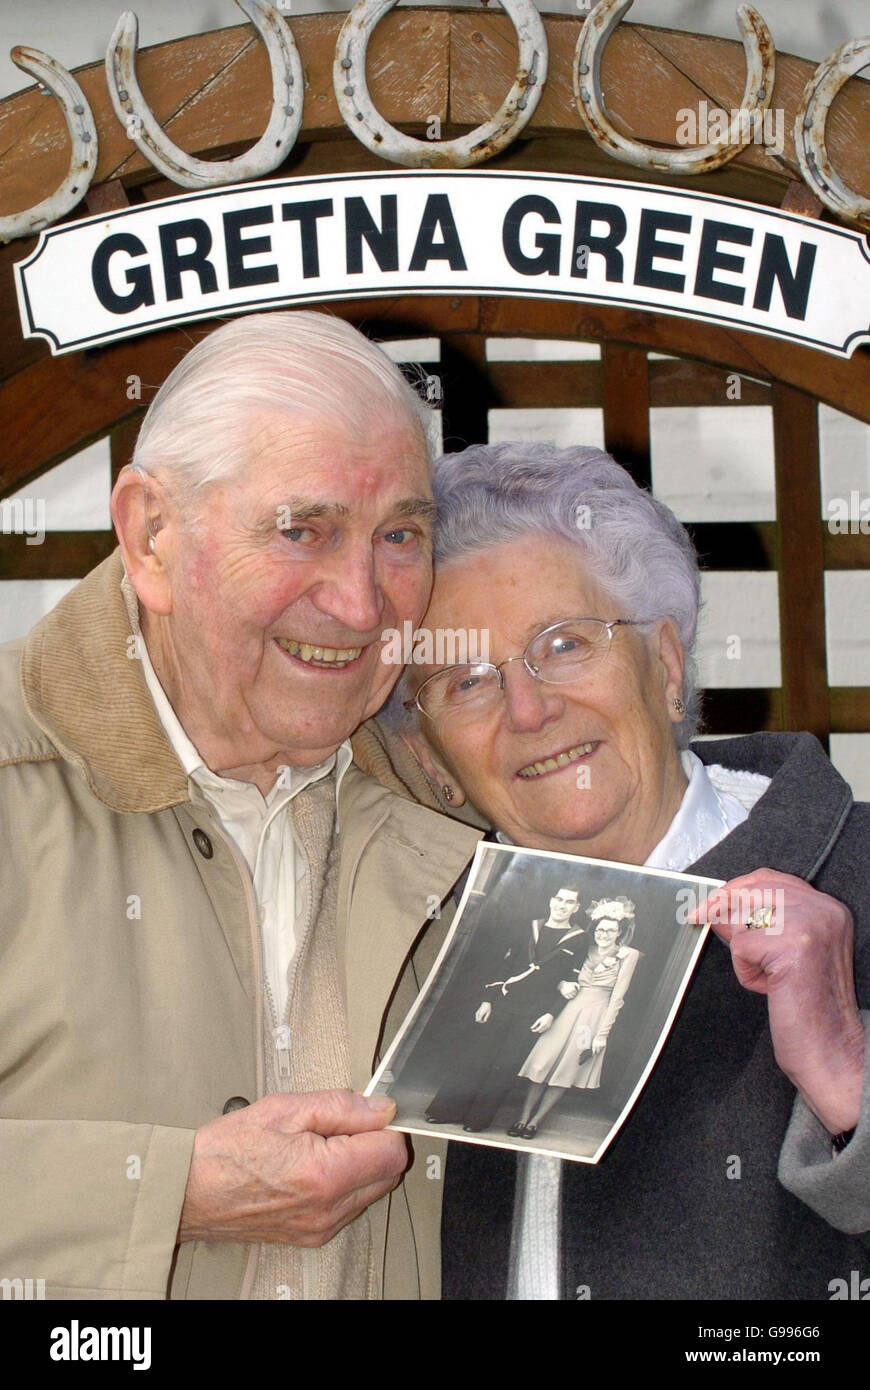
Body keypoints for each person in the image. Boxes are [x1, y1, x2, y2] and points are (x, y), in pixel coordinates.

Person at [0, 310, 484, 1301]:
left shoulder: (456, 790)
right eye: (300, 529)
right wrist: (164, 1191)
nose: (362, 604)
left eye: (400, 534)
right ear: (150, 535)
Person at [352, 440, 870, 1300]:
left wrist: (850, 1071)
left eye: (564, 644)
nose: (529, 708)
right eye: (467, 682)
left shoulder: (852, 872)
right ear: (434, 755)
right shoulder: (413, 939)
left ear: (665, 665)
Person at [423, 885, 586, 1133]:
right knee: (475, 1057)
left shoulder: (579, 938)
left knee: (505, 1067)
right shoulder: (530, 926)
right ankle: (446, 1111)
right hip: (504, 1001)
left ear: (576, 908)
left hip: (535, 1012)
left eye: (569, 902)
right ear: (551, 900)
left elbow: (571, 980)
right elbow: (508, 963)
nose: (562, 905)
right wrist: (488, 999)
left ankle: (477, 1120)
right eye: (559, 899)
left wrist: (551, 1013)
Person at [513, 898, 640, 1137]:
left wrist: (602, 1035)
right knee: (542, 1062)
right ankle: (522, 1118)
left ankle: (535, 1122)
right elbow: (559, 974)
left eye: (610, 930)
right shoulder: (584, 947)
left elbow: (617, 999)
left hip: (594, 1015)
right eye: (600, 929)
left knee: (567, 1069)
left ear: (620, 932)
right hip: (567, 1009)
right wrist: (561, 984)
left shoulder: (628, 955)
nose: (604, 934)